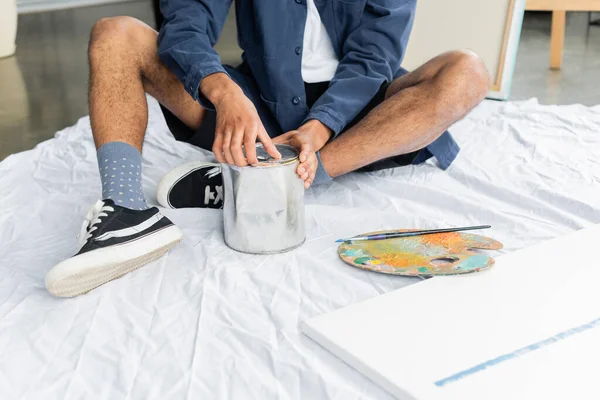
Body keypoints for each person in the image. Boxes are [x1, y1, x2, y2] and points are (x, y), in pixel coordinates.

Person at [45, 0, 490, 297]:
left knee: (467, 72)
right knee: (116, 33)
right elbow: (186, 18)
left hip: (358, 114)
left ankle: (267, 179)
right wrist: (220, 88)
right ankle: (125, 213)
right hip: (255, 109)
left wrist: (321, 127)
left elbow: (372, 57)